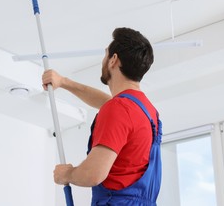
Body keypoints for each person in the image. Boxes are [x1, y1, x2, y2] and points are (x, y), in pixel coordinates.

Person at [42, 27, 162, 205]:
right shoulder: (147, 111)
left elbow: (93, 174)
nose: (103, 60)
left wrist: (66, 174)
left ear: (113, 60)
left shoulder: (119, 109)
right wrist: (64, 82)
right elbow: (110, 104)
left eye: (106, 54)